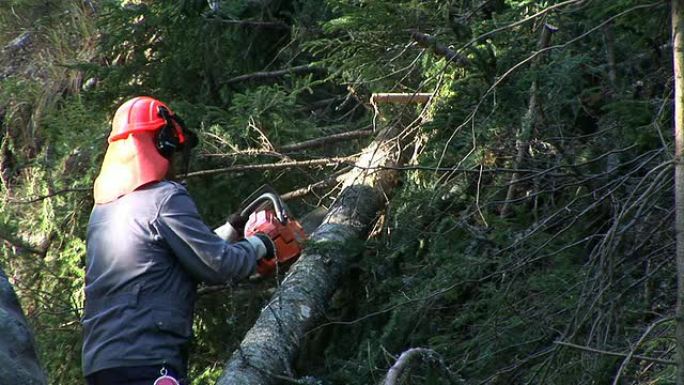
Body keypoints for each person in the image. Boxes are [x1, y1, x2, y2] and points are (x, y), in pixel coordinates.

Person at [82, 96, 275, 385]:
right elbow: (218, 265)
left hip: (102, 364)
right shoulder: (164, 198)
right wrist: (262, 244)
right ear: (163, 144)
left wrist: (232, 229)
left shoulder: (103, 212)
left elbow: (170, 257)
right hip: (147, 360)